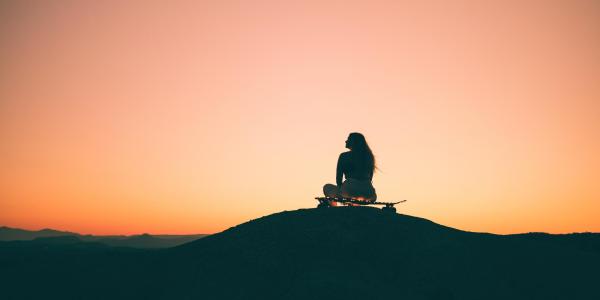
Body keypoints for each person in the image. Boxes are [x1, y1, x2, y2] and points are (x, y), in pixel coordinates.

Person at [323, 132, 377, 203]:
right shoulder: (369, 157)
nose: (346, 141)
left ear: (353, 142)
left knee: (327, 187)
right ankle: (354, 204)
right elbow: (370, 178)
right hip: (369, 193)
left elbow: (339, 179)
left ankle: (334, 209)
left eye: (348, 139)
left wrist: (341, 190)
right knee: (352, 192)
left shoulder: (344, 156)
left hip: (350, 190)